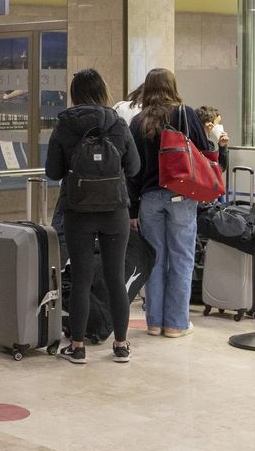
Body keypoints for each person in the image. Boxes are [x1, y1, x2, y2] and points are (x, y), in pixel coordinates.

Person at [48, 68, 141, 363]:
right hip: (115, 210)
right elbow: (135, 167)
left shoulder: (65, 124)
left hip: (78, 210)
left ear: (75, 93)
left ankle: (77, 346)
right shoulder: (117, 122)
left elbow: (52, 171)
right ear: (102, 90)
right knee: (115, 277)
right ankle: (122, 344)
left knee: (82, 279)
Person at [127, 68, 215, 338]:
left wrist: (132, 209)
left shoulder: (138, 121)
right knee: (182, 258)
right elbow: (204, 151)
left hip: (149, 199)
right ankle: (176, 324)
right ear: (172, 86)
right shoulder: (185, 114)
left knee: (155, 259)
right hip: (181, 195)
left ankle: (154, 322)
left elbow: (132, 170)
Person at [199, 105, 231, 175]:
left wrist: (222, 145)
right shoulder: (207, 147)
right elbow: (220, 168)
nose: (220, 126)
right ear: (209, 125)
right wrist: (223, 148)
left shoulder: (189, 140)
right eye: (218, 123)